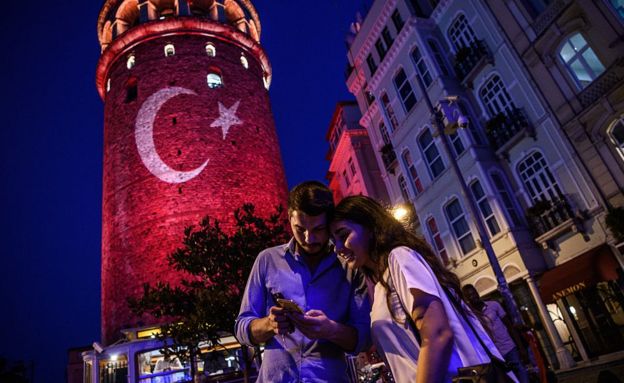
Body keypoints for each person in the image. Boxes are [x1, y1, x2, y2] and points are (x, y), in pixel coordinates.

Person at [330, 195, 516, 383]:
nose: (338, 248)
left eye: (344, 235)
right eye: (333, 240)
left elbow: (437, 334)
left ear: (369, 227)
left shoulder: (399, 258)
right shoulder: (381, 286)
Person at [234, 181, 371, 382]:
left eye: (318, 229)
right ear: (289, 219)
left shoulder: (350, 266)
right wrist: (269, 324)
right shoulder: (267, 260)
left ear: (330, 223)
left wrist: (332, 330)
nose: (309, 238)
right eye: (300, 229)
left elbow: (363, 339)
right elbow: (241, 328)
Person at [462, 284, 530, 383]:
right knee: (507, 378)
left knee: (521, 371)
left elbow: (510, 327)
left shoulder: (494, 305)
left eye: (474, 293)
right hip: (495, 354)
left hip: (509, 347)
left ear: (477, 293)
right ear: (467, 299)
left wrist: (521, 348)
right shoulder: (472, 316)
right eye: (469, 296)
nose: (473, 297)